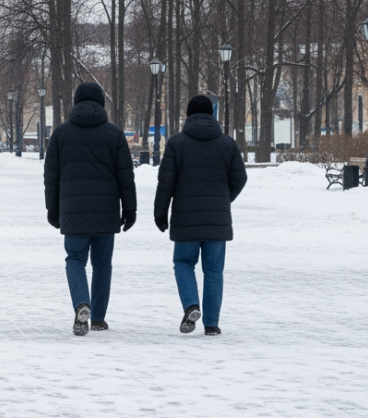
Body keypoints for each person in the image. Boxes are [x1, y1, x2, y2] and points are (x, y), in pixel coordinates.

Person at [44, 81, 136, 336]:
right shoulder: (114, 134)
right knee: (103, 263)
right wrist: (130, 211)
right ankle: (97, 317)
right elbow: (125, 177)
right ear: (101, 104)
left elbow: (51, 177)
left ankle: (81, 303)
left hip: (73, 210)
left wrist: (53, 210)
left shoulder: (61, 134)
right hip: (106, 211)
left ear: (76, 103)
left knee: (75, 259)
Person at [154, 95, 247, 337]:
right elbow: (240, 178)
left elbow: (166, 182)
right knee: (214, 271)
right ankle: (212, 324)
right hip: (217, 220)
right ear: (212, 115)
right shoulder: (228, 144)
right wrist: (224, 200)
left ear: (188, 115)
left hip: (185, 219)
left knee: (183, 263)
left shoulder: (176, 143)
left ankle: (191, 305)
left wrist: (160, 212)